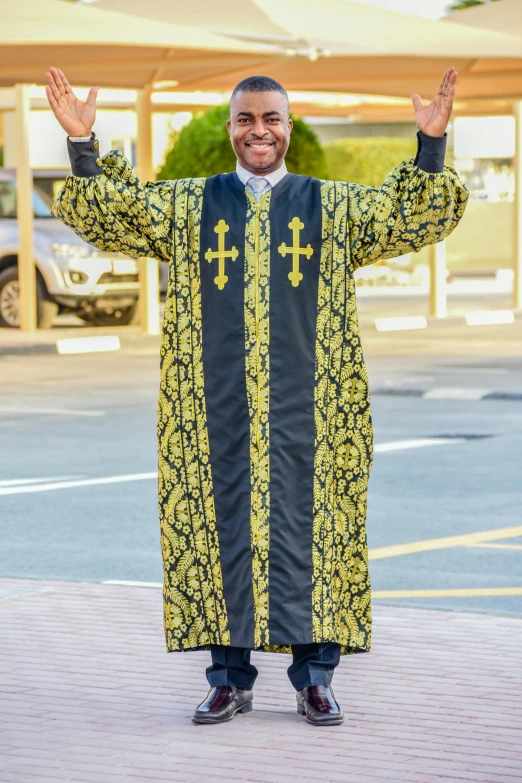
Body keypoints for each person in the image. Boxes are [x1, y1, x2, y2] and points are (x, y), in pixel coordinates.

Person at [46, 66, 468, 727]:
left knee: (315, 534)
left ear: (289, 127)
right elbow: (116, 214)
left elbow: (409, 214)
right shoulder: (191, 205)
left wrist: (431, 143)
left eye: (271, 118)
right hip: (214, 411)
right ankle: (228, 678)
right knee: (221, 534)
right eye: (246, 119)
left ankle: (314, 680)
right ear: (231, 129)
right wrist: (82, 144)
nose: (259, 129)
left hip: (316, 413)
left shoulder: (330, 206)